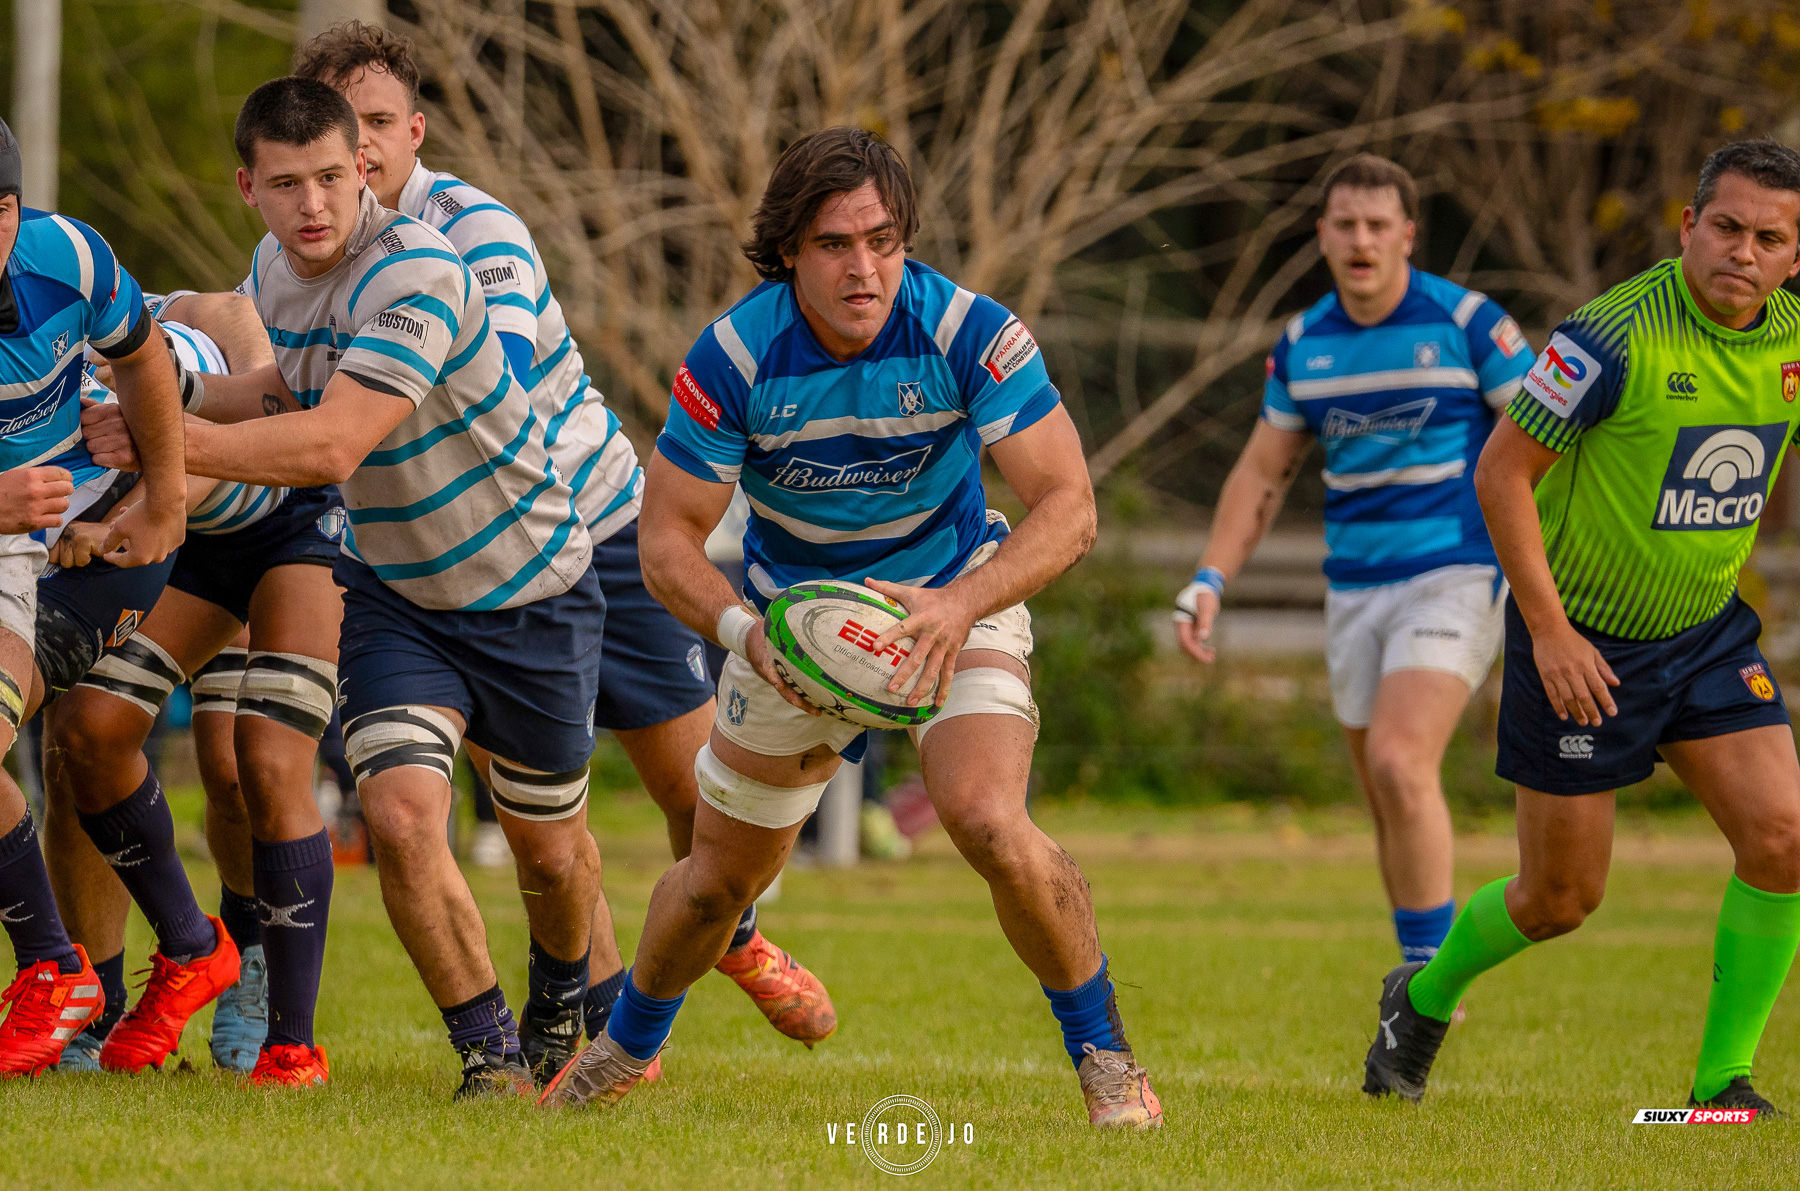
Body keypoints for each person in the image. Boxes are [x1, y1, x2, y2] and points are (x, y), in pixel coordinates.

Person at [539, 126, 1163, 1130]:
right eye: (836, 244)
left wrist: (962, 606)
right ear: (791, 250)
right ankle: (622, 1051)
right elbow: (667, 543)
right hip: (792, 632)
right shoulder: (736, 355)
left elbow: (1071, 507)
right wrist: (752, 637)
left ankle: (1108, 1064)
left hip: (949, 600)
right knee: (716, 886)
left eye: (883, 239)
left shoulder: (967, 330)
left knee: (987, 820)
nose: (864, 267)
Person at [292, 20, 835, 1077]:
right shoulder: (303, 246)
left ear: (414, 131)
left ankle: (739, 936)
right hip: (470, 570)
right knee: (542, 820)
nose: (354, 150)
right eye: (334, 127)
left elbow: (451, 396)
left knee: (695, 797)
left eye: (375, 124)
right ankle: (595, 1019)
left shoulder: (469, 232)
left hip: (598, 527)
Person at [87, 75, 599, 1100]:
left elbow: (330, 441)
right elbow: (284, 389)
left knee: (551, 855)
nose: (313, 204)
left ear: (366, 169)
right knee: (403, 814)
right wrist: (163, 393)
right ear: (250, 187)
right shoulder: (276, 271)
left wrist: (169, 440)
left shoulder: (419, 272)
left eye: (331, 177)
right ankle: (488, 1055)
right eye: (287, 185)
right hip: (397, 594)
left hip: (530, 586)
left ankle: (560, 993)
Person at [1364, 139, 1800, 1116]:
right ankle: (1419, 998)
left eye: (1770, 238)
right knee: (1560, 899)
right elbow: (1500, 473)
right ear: (1688, 226)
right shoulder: (1608, 340)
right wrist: (1550, 633)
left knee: (1785, 840)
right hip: (1585, 644)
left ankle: (1721, 1084)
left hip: (1706, 636)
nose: (1744, 250)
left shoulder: (1793, 341)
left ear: (1795, 257)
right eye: (1726, 226)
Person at [1174, 154, 1533, 971]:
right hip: (1355, 590)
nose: (1362, 239)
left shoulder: (1470, 323)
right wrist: (1209, 578)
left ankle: (1433, 985)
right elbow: (1264, 473)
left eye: (1378, 225)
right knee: (1385, 793)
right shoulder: (1305, 343)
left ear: (1408, 234)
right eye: (1346, 225)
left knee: (1401, 764)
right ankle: (1418, 969)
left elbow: (1547, 446)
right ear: (1323, 236)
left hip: (1458, 572)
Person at [47, 289, 345, 1085]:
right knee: (82, 733)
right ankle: (143, 974)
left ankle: (281, 1020)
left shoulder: (108, 301)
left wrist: (148, 492)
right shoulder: (24, 388)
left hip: (283, 521)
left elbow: (241, 350)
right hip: (179, 548)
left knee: (249, 761)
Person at [0, 116, 197, 1076]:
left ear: (10, 215)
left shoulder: (67, 257)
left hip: (93, 541)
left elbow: (147, 353)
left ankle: (80, 976)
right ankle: (175, 956)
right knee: (80, 741)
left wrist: (163, 500)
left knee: (86, 734)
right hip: (8, 532)